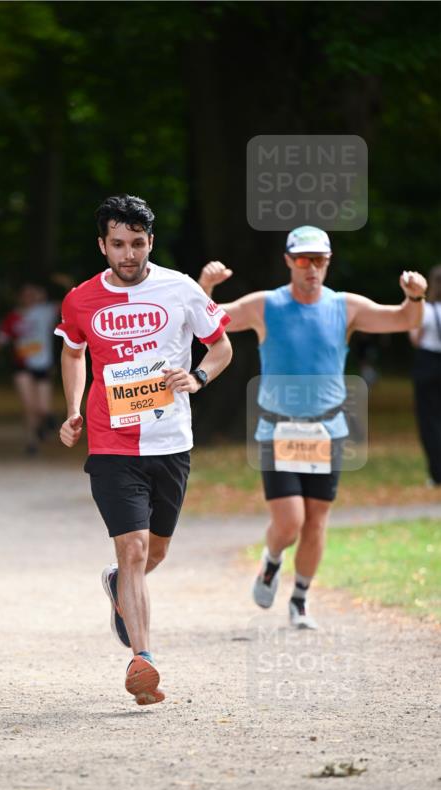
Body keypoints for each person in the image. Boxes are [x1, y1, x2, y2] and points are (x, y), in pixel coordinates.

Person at [199, 226, 427, 629]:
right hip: (279, 429)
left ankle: (300, 598)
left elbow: (403, 319)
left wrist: (415, 295)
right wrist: (207, 285)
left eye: (319, 260)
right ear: (289, 260)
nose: (312, 269)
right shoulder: (266, 305)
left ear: (328, 262)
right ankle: (271, 562)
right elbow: (207, 321)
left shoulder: (345, 306)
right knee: (289, 522)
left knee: (317, 521)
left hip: (325, 430)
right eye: (304, 260)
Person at [57, 194, 232, 706]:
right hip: (111, 442)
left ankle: (118, 589)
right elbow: (73, 353)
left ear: (150, 241)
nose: (128, 254)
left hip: (171, 441)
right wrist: (73, 409)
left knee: (155, 552)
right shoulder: (81, 299)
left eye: (137, 244)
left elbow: (221, 347)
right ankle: (143, 660)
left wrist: (197, 377)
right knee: (131, 548)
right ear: (102, 245)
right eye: (118, 245)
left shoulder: (181, 290)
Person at [0, 284, 59, 455]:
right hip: (22, 365)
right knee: (29, 406)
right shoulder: (14, 317)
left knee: (44, 408)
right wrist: (4, 342)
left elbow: (69, 304)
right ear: (20, 297)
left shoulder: (45, 312)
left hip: (43, 365)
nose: (30, 298)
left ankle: (43, 426)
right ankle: (32, 442)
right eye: (26, 295)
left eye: (34, 294)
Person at [409, 264, 441, 487]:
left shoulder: (427, 311)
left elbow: (415, 339)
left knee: (429, 421)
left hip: (428, 364)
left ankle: (437, 472)